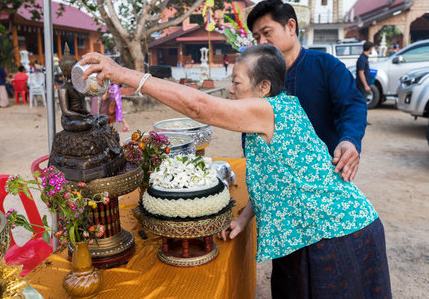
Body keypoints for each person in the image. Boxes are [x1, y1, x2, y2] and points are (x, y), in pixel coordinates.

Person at [81, 44, 391, 299]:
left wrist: (122, 74)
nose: (230, 90)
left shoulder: (269, 109)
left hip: (336, 235)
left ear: (263, 88)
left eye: (237, 83)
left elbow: (200, 108)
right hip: (324, 234)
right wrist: (243, 218)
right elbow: (284, 177)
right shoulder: (285, 107)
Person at [246, 0, 367, 184]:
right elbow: (249, 123)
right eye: (256, 38)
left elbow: (352, 106)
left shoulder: (327, 66)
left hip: (326, 177)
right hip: (277, 183)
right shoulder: (259, 80)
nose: (261, 42)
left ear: (291, 26)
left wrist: (349, 140)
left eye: (266, 33)